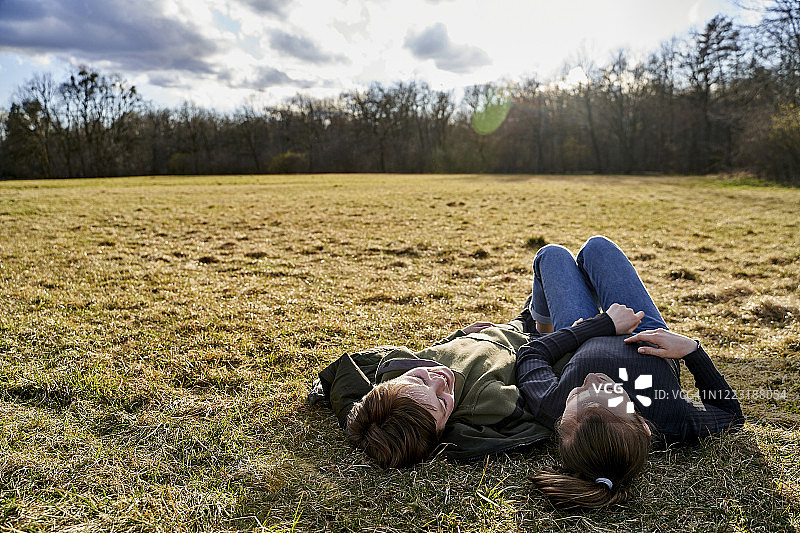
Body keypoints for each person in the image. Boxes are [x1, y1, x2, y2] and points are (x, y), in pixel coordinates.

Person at [516, 236, 745, 509]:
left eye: (576, 393)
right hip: (644, 330)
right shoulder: (672, 415)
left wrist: (594, 327)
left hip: (584, 332)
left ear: (561, 422)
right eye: (608, 393)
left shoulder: (551, 406)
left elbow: (531, 354)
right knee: (597, 247)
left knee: (551, 255)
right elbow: (731, 415)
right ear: (644, 425)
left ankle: (541, 324)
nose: (590, 381)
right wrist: (692, 351)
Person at [312, 302, 557, 468]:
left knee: (547, 266)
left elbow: (348, 376)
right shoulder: (485, 403)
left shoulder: (397, 368)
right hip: (535, 337)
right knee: (557, 260)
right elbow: (543, 398)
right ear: (442, 430)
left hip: (499, 328)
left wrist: (461, 335)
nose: (439, 379)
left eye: (419, 379)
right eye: (441, 401)